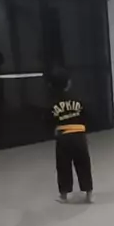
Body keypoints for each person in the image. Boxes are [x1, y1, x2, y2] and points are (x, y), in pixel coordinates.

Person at [49, 67, 93, 203]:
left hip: (63, 137)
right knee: (83, 164)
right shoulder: (78, 99)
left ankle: (64, 195)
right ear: (69, 83)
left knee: (63, 166)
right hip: (79, 135)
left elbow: (49, 120)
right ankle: (89, 194)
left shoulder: (52, 102)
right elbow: (86, 115)